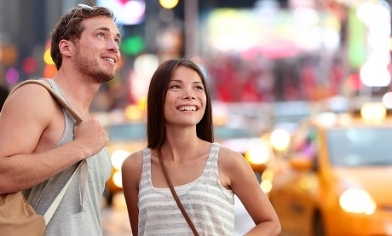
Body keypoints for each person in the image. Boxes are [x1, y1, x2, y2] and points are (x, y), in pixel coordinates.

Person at [122, 58, 281, 236]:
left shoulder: (228, 161)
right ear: (157, 98)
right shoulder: (134, 167)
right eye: (176, 86)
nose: (189, 94)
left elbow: (270, 223)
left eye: (198, 87)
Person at [0, 4, 121, 235]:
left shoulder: (87, 120)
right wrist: (80, 147)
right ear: (67, 47)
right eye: (101, 35)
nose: (114, 46)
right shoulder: (37, 96)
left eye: (116, 39)